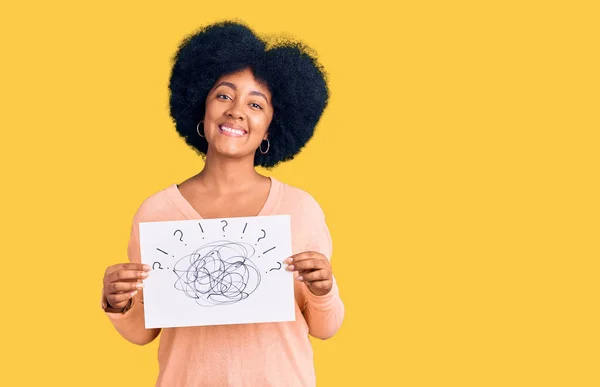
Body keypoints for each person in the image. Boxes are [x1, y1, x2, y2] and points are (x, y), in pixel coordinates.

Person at [101, 21, 344, 386]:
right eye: (224, 95)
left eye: (256, 103)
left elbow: (325, 328)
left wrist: (324, 290)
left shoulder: (300, 209)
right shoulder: (156, 213)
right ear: (201, 106)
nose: (236, 111)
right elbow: (143, 332)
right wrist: (118, 304)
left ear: (271, 127)